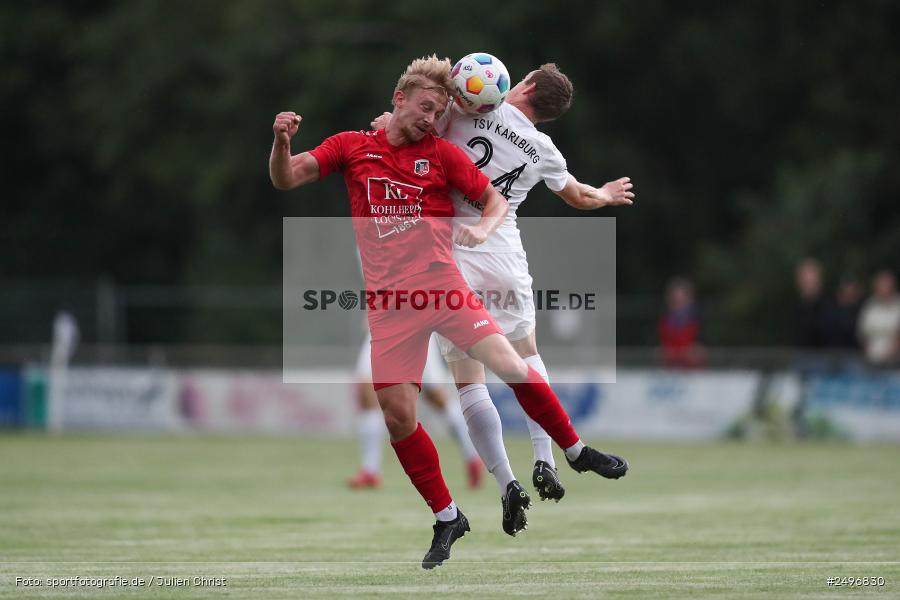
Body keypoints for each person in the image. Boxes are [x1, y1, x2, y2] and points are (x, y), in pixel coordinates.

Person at [270, 55, 628, 569]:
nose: (428, 116)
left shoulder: (440, 151)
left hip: (443, 285)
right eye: (423, 107)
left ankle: (574, 451)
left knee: (509, 364)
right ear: (398, 100)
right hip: (390, 305)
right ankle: (447, 516)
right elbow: (287, 179)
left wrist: (482, 228)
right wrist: (281, 143)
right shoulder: (351, 145)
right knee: (398, 417)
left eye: (437, 109)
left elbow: (494, 200)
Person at [372, 63, 633, 505]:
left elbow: (406, 128)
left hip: (451, 248)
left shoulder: (460, 110)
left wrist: (387, 123)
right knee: (526, 354)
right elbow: (578, 196)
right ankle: (545, 458)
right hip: (502, 251)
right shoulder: (542, 146)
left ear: (525, 84)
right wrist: (606, 194)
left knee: (468, 377)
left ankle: (506, 482)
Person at [348, 331, 482, 489]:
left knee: (435, 396)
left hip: (415, 324)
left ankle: (472, 456)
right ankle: (370, 471)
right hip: (382, 325)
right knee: (366, 391)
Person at [658, 277, 705, 368]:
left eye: (681, 300)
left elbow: (703, 350)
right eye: (675, 300)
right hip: (669, 370)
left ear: (690, 299)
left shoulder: (698, 321)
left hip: (693, 372)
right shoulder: (663, 321)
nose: (678, 304)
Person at [857, 270, 900, 366]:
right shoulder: (869, 305)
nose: (883, 288)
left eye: (886, 285)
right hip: (871, 359)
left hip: (895, 360)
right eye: (880, 285)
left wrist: (891, 353)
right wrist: (868, 351)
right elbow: (862, 333)